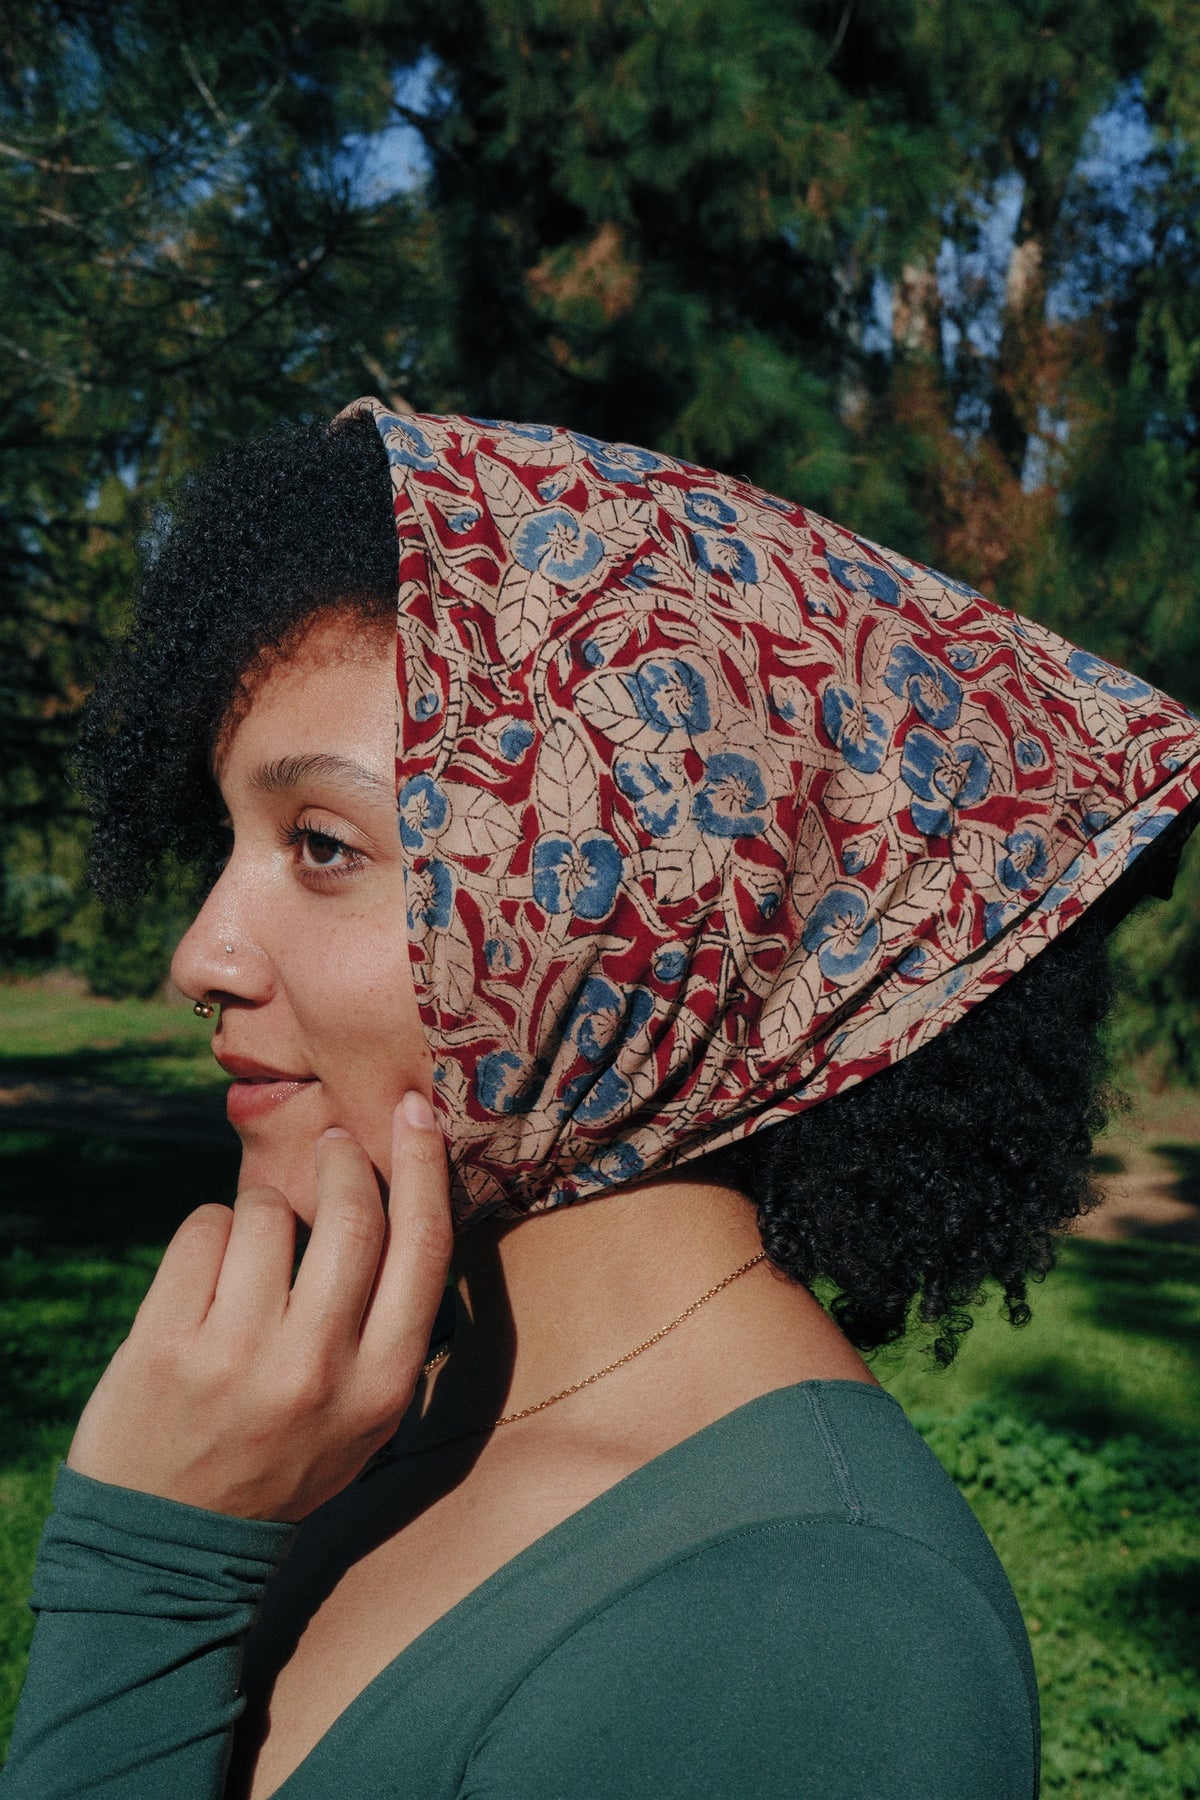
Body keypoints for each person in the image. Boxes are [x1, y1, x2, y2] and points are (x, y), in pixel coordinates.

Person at [3, 405, 1199, 1800]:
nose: (199, 957)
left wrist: (140, 1576)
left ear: (629, 916)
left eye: (322, 846)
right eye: (234, 842)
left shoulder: (810, 1637)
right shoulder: (342, 1429)